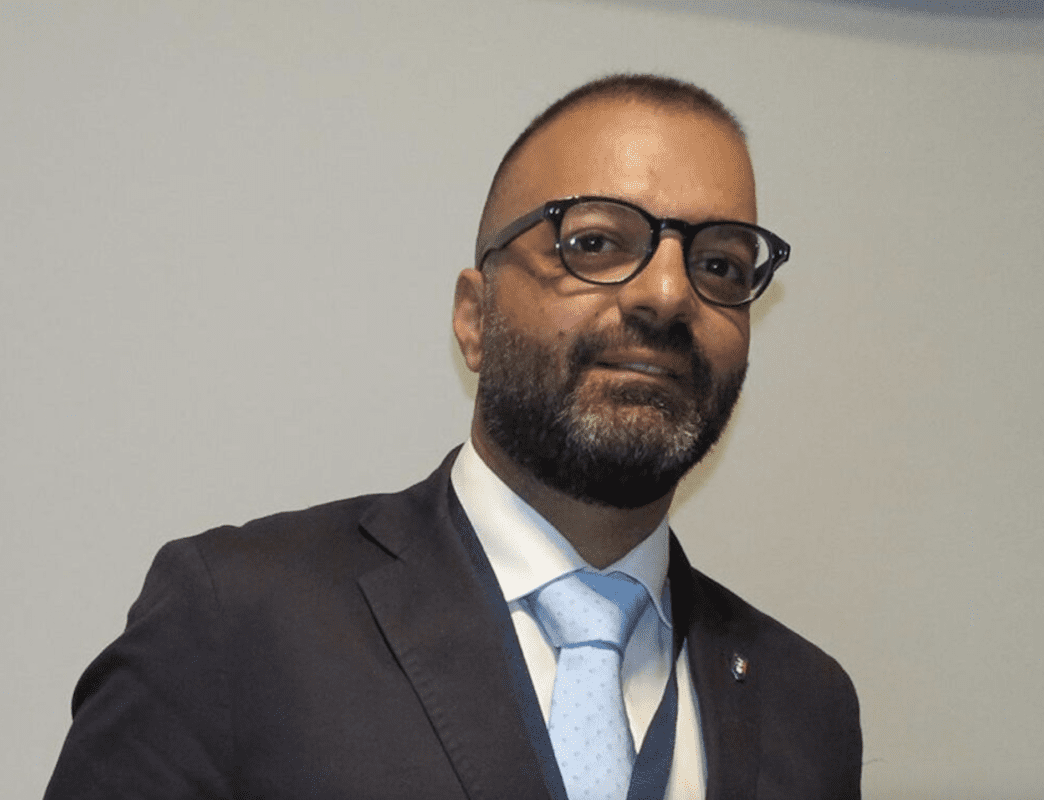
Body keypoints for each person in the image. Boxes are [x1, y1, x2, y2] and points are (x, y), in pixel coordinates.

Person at [44, 74, 862, 800]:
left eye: (720, 265)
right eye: (595, 243)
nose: (667, 294)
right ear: (474, 319)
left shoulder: (809, 704)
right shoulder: (237, 619)